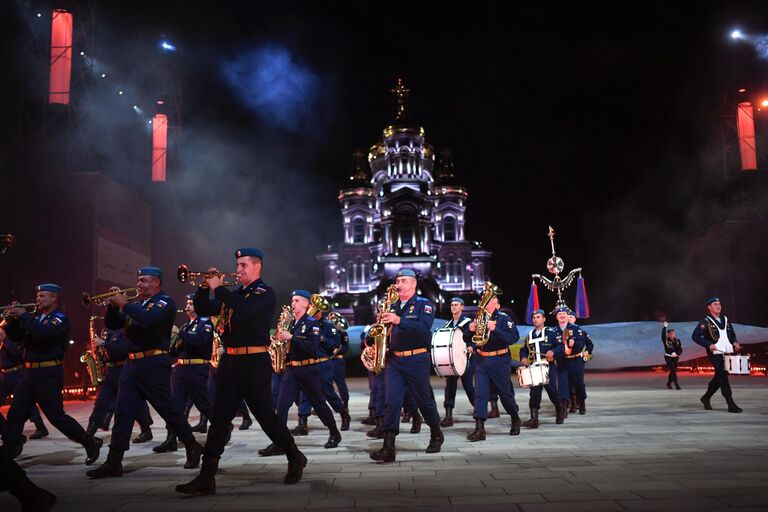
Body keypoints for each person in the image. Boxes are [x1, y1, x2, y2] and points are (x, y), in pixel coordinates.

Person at [176, 248, 306, 495]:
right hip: (230, 362)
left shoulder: (264, 293)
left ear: (258, 266)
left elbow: (244, 311)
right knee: (219, 419)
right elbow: (204, 309)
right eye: (237, 265)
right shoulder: (235, 295)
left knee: (266, 417)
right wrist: (205, 287)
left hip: (254, 362)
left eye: (244, 265)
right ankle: (206, 477)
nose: (238, 270)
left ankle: (294, 455)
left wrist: (220, 288)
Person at [87, 267, 202, 478]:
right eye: (138, 280)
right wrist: (113, 307)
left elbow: (148, 320)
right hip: (132, 365)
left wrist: (124, 303)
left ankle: (192, 444)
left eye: (143, 280)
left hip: (153, 362)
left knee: (167, 409)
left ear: (156, 282)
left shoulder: (164, 302)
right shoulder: (138, 304)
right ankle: (114, 462)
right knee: (122, 413)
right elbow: (113, 324)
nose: (138, 284)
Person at [1, 284, 102, 464]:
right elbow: (16, 338)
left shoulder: (59, 319)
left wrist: (23, 316)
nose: (37, 299)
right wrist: (11, 321)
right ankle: (8, 451)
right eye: (37, 296)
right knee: (15, 414)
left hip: (48, 372)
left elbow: (42, 334)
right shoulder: (35, 318)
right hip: (29, 373)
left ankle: (89, 442)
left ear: (53, 298)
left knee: (56, 416)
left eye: (42, 296)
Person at [369, 269, 443, 462]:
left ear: (413, 284)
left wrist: (398, 320)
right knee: (391, 402)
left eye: (402, 281)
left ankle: (436, 433)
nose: (398, 284)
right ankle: (388, 446)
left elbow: (423, 328)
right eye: (397, 281)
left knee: (423, 401)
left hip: (416, 359)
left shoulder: (423, 305)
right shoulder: (392, 306)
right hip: (394, 360)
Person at [260, 290, 341, 455]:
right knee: (281, 406)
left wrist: (292, 338)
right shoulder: (290, 323)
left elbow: (312, 347)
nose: (293, 303)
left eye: (297, 300)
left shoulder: (312, 323)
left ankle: (334, 432)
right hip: (291, 369)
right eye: (292, 300)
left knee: (318, 404)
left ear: (306, 304)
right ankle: (280, 442)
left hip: (308, 369)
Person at [154, 294, 214, 453]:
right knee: (174, 407)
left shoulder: (206, 324)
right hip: (180, 370)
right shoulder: (186, 325)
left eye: (191, 304)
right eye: (186, 303)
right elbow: (177, 350)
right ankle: (170, 439)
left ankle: (223, 425)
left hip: (196, 368)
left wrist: (179, 334)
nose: (187, 307)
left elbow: (200, 342)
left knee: (203, 404)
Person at [466, 292, 521, 441]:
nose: (483, 301)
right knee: (480, 394)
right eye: (483, 299)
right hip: (482, 361)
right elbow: (470, 340)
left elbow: (513, 338)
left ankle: (515, 418)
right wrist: (469, 331)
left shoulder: (503, 318)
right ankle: (479, 428)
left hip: (499, 361)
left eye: (487, 299)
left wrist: (494, 328)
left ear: (495, 302)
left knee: (505, 393)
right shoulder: (479, 318)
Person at [86, 323, 154, 443]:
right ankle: (88, 434)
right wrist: (98, 356)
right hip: (109, 371)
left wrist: (104, 343)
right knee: (101, 403)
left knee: (134, 403)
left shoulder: (126, 329)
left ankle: (146, 430)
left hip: (123, 369)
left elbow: (124, 349)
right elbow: (105, 350)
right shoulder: (106, 330)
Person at [692, 298, 743, 413]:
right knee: (723, 377)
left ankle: (706, 397)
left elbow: (731, 334)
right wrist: (708, 345)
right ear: (709, 307)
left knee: (719, 378)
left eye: (719, 304)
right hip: (715, 354)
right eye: (715, 304)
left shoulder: (725, 319)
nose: (718, 306)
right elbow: (695, 336)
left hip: (727, 353)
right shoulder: (706, 321)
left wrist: (735, 342)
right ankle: (730, 404)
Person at [0, 326, 48, 440]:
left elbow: (17, 351)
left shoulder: (11, 337)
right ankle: (5, 428)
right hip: (3, 376)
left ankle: (40, 427)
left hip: (17, 373)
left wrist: (5, 338)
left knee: (26, 402)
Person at [519, 309, 564, 428]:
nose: (535, 319)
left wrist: (553, 351)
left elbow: (561, 347)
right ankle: (534, 419)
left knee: (552, 391)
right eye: (534, 317)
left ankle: (560, 411)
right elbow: (523, 349)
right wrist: (523, 357)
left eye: (538, 317)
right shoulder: (529, 335)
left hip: (548, 366)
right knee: (534, 393)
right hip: (534, 367)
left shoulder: (552, 333)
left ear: (544, 319)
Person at [439, 297, 475, 427]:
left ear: (462, 307)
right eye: (452, 305)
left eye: (456, 305)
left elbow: (475, 337)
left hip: (466, 359)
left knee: (468, 386)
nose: (453, 307)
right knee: (450, 388)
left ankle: (479, 409)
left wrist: (472, 346)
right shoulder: (448, 324)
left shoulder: (468, 323)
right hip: (452, 360)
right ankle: (448, 416)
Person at [551, 305, 590, 419]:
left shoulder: (576, 329)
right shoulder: (553, 331)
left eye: (564, 314)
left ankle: (581, 401)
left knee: (579, 384)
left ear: (568, 316)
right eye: (559, 314)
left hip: (575, 361)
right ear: (557, 317)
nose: (562, 316)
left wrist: (575, 345)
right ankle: (563, 408)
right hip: (562, 362)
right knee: (562, 385)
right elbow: (552, 345)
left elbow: (582, 344)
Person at [661, 321, 682, 390]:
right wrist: (664, 327)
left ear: (674, 334)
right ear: (668, 334)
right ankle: (676, 384)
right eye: (670, 333)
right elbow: (663, 335)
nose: (672, 334)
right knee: (672, 370)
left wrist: (677, 354)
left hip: (675, 357)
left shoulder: (678, 341)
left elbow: (680, 349)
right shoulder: (666, 340)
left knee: (673, 371)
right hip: (668, 357)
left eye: (673, 333)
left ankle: (669, 383)